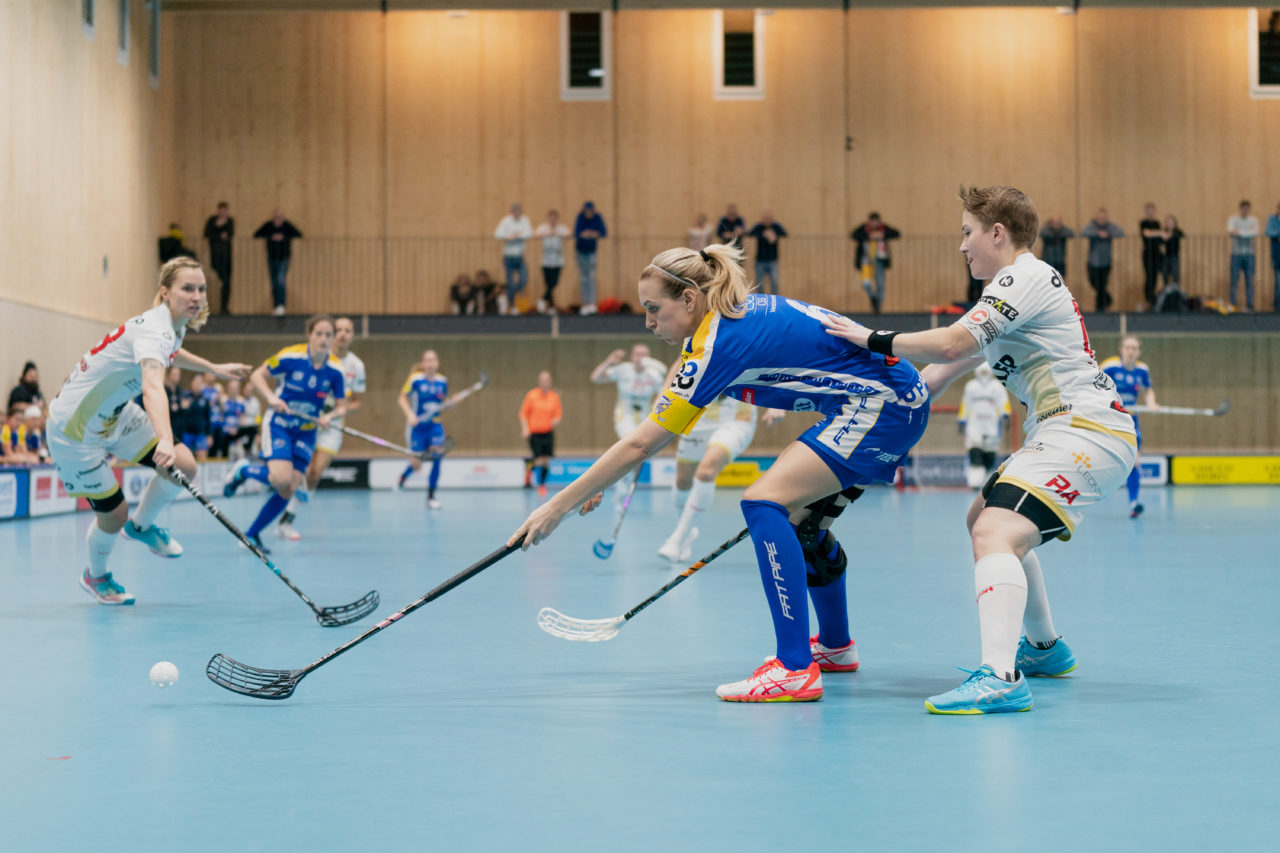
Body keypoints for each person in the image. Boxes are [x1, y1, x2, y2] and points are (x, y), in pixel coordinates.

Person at [510, 242, 930, 702]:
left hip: (880, 408)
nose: (648, 322)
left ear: (689, 298)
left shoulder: (718, 341)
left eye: (654, 308)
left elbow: (641, 443)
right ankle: (834, 647)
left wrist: (555, 508)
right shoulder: (728, 319)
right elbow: (654, 430)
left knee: (764, 502)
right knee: (802, 525)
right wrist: (600, 483)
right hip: (888, 400)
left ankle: (794, 668)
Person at [821, 184, 1137, 715]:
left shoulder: (1024, 277)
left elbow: (951, 342)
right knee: (982, 520)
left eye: (968, 233)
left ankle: (1000, 678)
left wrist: (871, 337)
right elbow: (933, 377)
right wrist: (857, 418)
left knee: (996, 531)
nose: (962, 245)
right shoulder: (1003, 301)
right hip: (1065, 432)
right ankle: (1044, 648)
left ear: (997, 233)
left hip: (1085, 429)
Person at [45, 257, 250, 605]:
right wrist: (165, 439)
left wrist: (213, 367)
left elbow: (171, 351)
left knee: (184, 466)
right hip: (75, 429)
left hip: (114, 414)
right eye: (187, 288)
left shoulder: (171, 326)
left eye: (201, 289)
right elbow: (153, 387)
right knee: (114, 514)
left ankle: (140, 528)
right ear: (165, 292)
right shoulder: (155, 328)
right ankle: (96, 576)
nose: (196, 296)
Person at [222, 315, 346, 553]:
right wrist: (272, 398)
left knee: (289, 489)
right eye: (318, 334)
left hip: (307, 432)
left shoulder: (335, 370)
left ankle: (251, 535)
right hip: (280, 424)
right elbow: (257, 375)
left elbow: (341, 406)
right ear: (309, 335)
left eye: (328, 335)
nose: (323, 339)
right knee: (280, 479)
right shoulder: (290, 356)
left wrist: (329, 417)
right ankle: (243, 470)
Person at [659, 395, 784, 563]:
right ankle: (687, 531)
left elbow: (773, 379)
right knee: (682, 481)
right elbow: (672, 382)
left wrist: (777, 405)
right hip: (698, 418)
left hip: (737, 419)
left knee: (706, 472)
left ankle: (677, 539)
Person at [277, 316, 365, 538]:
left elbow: (356, 401)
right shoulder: (318, 355)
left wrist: (336, 411)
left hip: (331, 425)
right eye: (339, 330)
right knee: (299, 472)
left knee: (315, 473)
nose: (343, 334)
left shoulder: (356, 366)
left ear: (353, 335)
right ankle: (285, 519)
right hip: (305, 420)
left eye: (348, 330)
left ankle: (292, 511)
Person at [590, 344, 668, 506]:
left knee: (636, 456)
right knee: (631, 445)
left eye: (645, 355)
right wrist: (609, 361)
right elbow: (595, 378)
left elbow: (665, 394)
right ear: (632, 356)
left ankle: (623, 486)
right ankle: (620, 489)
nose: (641, 358)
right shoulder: (623, 370)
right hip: (624, 417)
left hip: (644, 419)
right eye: (638, 354)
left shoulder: (654, 375)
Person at [1100, 336, 1158, 518]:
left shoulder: (1142, 370)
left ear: (1139, 352)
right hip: (1110, 418)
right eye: (1127, 348)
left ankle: (1134, 503)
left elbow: (1148, 390)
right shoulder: (1109, 367)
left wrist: (1152, 403)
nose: (1130, 351)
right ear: (1121, 349)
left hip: (1131, 420)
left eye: (1134, 348)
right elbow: (1094, 386)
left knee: (1135, 461)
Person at [396, 350, 457, 509]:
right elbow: (402, 398)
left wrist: (452, 402)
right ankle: (402, 478)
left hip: (435, 426)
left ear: (437, 363)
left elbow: (444, 402)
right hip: (417, 427)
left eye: (433, 360)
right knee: (417, 464)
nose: (431, 363)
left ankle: (431, 497)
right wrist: (410, 414)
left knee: (437, 458)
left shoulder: (442, 381)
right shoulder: (415, 379)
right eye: (427, 360)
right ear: (423, 363)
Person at [958, 362, 1011, 489]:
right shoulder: (970, 386)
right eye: (982, 371)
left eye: (986, 371)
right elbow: (965, 405)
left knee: (990, 456)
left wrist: (1006, 418)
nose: (984, 374)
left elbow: (1004, 405)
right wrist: (962, 421)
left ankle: (986, 483)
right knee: (975, 453)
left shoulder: (998, 387)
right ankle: (975, 482)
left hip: (992, 428)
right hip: (974, 427)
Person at [519, 371, 562, 497]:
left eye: (547, 380)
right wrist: (525, 428)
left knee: (546, 460)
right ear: (539, 382)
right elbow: (523, 414)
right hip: (534, 432)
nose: (545, 383)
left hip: (547, 432)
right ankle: (529, 470)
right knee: (538, 459)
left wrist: (552, 422)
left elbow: (558, 415)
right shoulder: (531, 395)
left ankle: (542, 485)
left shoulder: (554, 397)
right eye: (543, 380)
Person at [253, 209, 303, 316]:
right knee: (274, 283)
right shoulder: (269, 225)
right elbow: (256, 234)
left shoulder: (286, 226)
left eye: (280, 217)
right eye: (276, 217)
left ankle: (281, 305)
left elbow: (299, 234)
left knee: (280, 280)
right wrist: (271, 236)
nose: (278, 219)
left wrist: (284, 237)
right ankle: (276, 305)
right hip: (272, 258)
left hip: (284, 258)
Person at [851, 212, 901, 314]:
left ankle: (878, 307)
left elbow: (897, 234)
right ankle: (873, 298)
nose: (874, 224)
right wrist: (868, 236)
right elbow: (853, 235)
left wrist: (883, 235)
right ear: (869, 222)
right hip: (866, 261)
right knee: (866, 284)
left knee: (880, 284)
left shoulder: (883, 228)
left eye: (876, 221)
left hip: (879, 261)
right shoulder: (864, 229)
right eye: (872, 221)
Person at [494, 203, 534, 315]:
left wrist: (518, 235)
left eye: (518, 211)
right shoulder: (506, 220)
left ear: (521, 212)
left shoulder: (525, 220)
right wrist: (508, 236)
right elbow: (497, 234)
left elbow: (529, 233)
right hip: (508, 256)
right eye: (515, 212)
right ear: (512, 212)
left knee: (524, 279)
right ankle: (512, 305)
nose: (517, 214)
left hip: (519, 256)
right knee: (510, 282)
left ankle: (506, 295)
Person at [1081, 208, 1124, 311]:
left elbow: (1121, 232)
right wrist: (1097, 233)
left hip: (1106, 262)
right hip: (1093, 262)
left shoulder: (1110, 227)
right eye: (1100, 218)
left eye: (1104, 218)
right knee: (1095, 284)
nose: (1102, 220)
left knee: (1101, 286)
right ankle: (1108, 300)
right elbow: (1084, 232)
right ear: (1096, 218)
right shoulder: (1092, 226)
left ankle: (1099, 307)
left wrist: (1108, 234)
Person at [574, 202, 608, 315]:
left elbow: (603, 232)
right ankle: (585, 303)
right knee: (583, 278)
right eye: (586, 212)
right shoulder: (580, 217)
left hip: (592, 252)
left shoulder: (597, 217)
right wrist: (585, 234)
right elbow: (577, 232)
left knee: (591, 277)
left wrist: (592, 233)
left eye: (590, 212)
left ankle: (592, 304)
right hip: (581, 252)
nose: (588, 214)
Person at [534, 209, 571, 314]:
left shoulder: (561, 228)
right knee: (548, 284)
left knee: (554, 283)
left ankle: (543, 299)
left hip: (558, 261)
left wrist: (557, 233)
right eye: (550, 218)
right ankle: (551, 306)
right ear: (548, 219)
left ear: (557, 219)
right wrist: (547, 234)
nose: (552, 220)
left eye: (554, 218)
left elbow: (569, 234)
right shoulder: (543, 228)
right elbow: (535, 234)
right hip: (546, 261)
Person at [203, 201, 235, 314]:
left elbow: (230, 233)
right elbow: (206, 233)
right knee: (224, 279)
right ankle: (222, 307)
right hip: (216, 255)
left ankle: (224, 307)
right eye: (221, 211)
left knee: (227, 281)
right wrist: (219, 233)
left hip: (227, 256)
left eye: (225, 211)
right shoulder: (212, 220)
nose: (223, 213)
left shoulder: (230, 221)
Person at [1227, 199, 1259, 312]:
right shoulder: (1233, 219)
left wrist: (1239, 233)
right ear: (1240, 209)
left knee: (1249, 281)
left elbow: (1255, 232)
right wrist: (1247, 233)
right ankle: (1232, 305)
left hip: (1250, 255)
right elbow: (1230, 231)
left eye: (1247, 209)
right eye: (1243, 208)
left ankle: (1250, 305)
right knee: (1234, 280)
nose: (1245, 210)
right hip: (1236, 254)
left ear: (1249, 209)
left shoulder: (1253, 220)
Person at [174, 373, 212, 462]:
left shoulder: (205, 399)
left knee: (202, 459)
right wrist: (181, 408)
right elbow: (178, 414)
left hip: (200, 433)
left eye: (200, 382)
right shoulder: (185, 396)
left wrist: (209, 435)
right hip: (187, 433)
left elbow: (208, 418)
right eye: (196, 382)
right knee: (186, 459)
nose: (198, 385)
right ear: (192, 383)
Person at [748, 210, 787, 295]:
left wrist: (774, 234)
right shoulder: (759, 227)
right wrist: (764, 234)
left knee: (774, 282)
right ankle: (760, 299)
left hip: (772, 261)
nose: (767, 221)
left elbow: (785, 234)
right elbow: (750, 233)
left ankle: (775, 299)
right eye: (765, 219)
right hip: (760, 261)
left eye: (769, 219)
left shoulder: (776, 227)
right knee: (760, 284)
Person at [1154, 214, 1185, 312]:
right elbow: (1159, 241)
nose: (1170, 224)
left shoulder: (1177, 232)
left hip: (1174, 257)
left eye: (1171, 223)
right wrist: (1163, 236)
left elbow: (1182, 235)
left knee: (1175, 275)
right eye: (1168, 223)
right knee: (1165, 275)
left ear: (1175, 224)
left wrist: (1170, 235)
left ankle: (1176, 297)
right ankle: (1166, 296)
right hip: (1166, 257)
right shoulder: (1163, 232)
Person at [1139, 203, 1163, 310]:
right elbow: (1146, 233)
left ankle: (1153, 299)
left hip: (1156, 253)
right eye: (1148, 211)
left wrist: (1158, 234)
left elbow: (1159, 237)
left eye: (1152, 211)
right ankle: (1148, 299)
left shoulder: (1157, 223)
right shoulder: (1143, 223)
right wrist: (1158, 233)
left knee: (1155, 277)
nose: (1150, 213)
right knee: (1148, 276)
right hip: (1147, 254)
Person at [1266, 202, 1280, 312]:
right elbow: (1268, 231)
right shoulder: (1273, 219)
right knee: (1278, 283)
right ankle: (1277, 307)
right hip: (1277, 256)